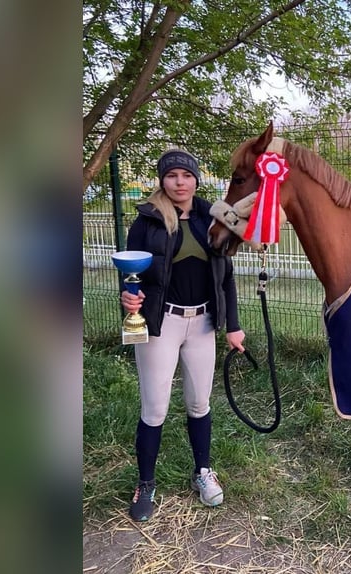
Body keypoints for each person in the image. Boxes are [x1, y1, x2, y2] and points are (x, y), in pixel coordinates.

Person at [120, 149, 246, 522]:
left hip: (203, 324)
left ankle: (203, 472)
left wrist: (234, 324)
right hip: (162, 325)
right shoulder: (147, 221)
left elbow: (227, 276)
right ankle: (145, 483)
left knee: (199, 403)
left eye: (186, 176)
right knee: (155, 408)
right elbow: (129, 275)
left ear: (195, 180)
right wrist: (128, 296)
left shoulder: (213, 216)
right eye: (172, 175)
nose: (179, 182)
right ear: (163, 180)